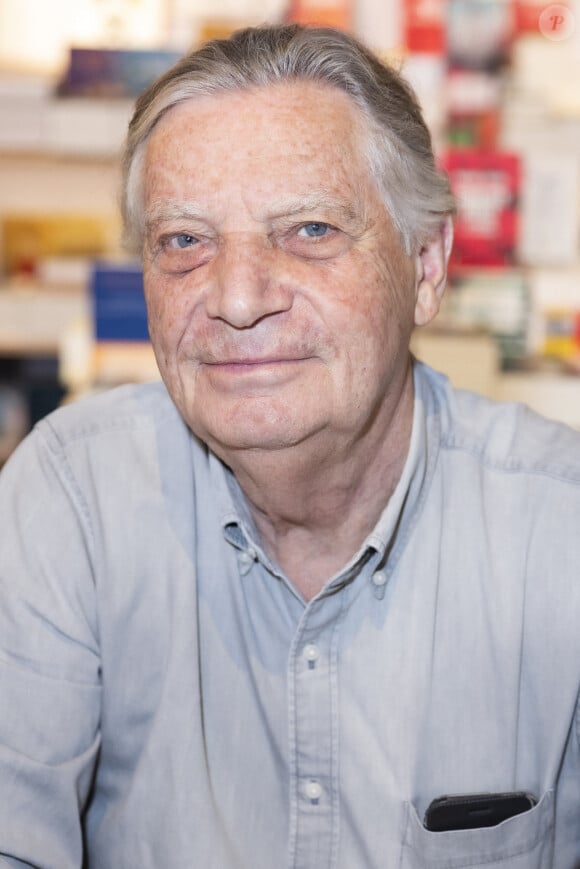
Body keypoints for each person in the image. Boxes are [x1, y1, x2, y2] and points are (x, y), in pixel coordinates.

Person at [0, 23, 579, 869]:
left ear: (425, 266)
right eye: (184, 241)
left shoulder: (560, 534)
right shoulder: (70, 496)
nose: (236, 297)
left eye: (308, 230)